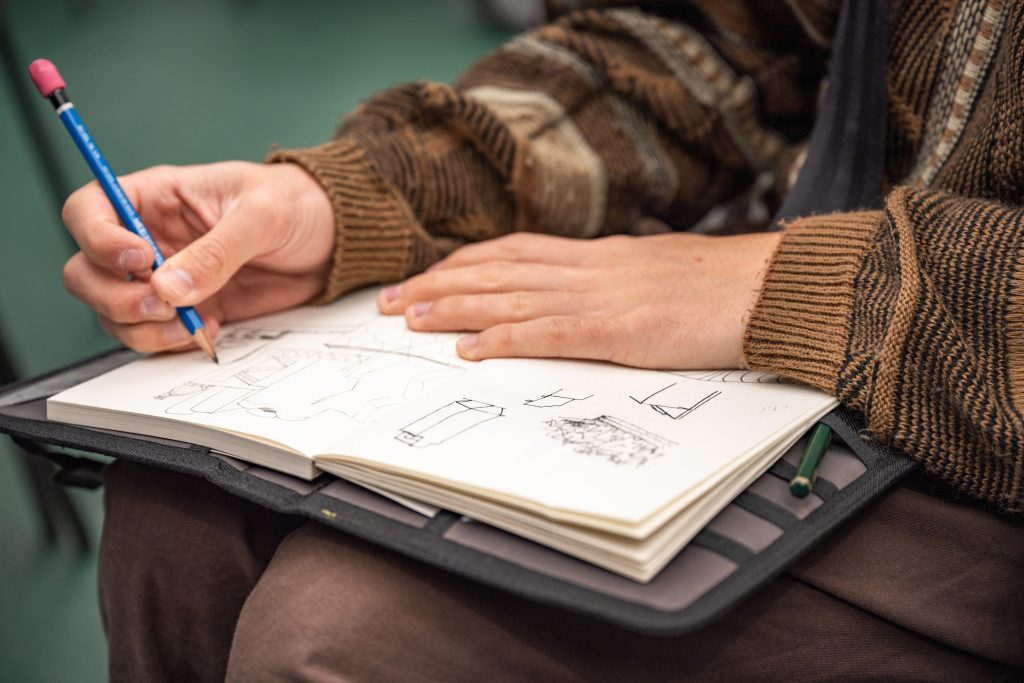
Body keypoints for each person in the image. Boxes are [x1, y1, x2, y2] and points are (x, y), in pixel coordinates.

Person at [60, 0, 1024, 680]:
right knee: (175, 514)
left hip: (983, 470)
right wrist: (360, 198)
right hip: (789, 355)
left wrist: (838, 290)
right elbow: (706, 46)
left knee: (338, 633)